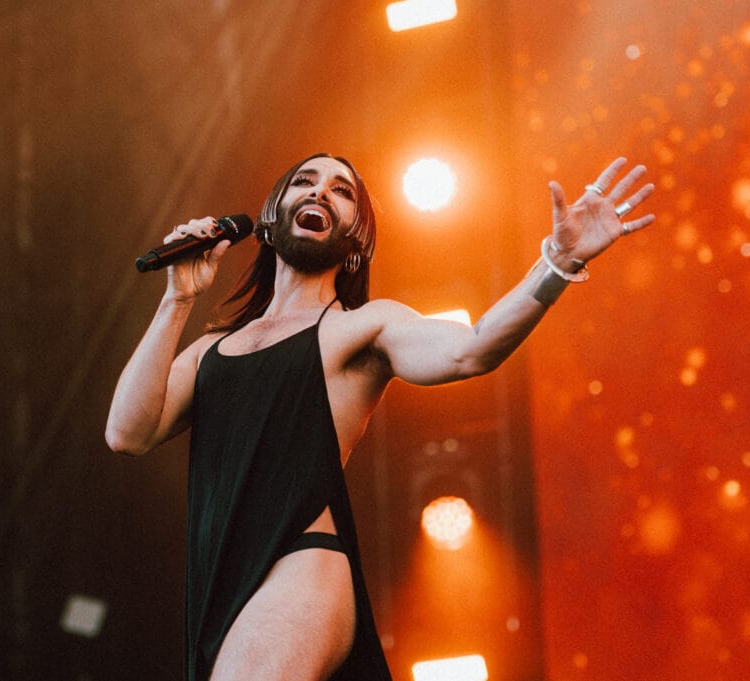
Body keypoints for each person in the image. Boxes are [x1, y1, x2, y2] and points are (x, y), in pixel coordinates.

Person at [105, 152, 655, 680]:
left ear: (355, 240)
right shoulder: (211, 349)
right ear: (270, 217)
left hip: (299, 563)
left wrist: (558, 262)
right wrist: (178, 298)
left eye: (342, 191)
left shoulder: (363, 327)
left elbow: (472, 349)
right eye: (305, 181)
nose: (321, 191)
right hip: (219, 582)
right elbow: (128, 432)